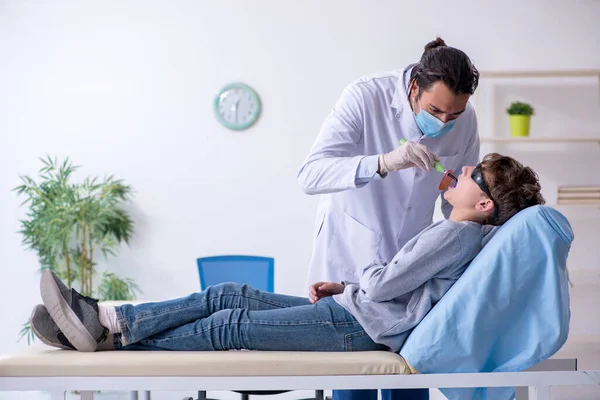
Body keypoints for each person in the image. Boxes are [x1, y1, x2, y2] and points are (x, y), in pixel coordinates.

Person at [32, 154, 545, 363]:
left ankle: (109, 335)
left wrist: (360, 273)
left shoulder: (454, 235)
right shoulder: (458, 233)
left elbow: (387, 284)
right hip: (356, 311)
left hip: (361, 327)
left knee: (228, 320)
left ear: (483, 205)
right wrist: (346, 288)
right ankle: (108, 320)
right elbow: (407, 288)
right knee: (228, 294)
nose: (457, 169)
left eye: (471, 173)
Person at [297, 37, 481, 400]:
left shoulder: (465, 119)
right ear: (414, 87)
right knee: (354, 382)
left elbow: (459, 203)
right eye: (435, 110)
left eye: (453, 115)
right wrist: (381, 163)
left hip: (411, 264)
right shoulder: (366, 96)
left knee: (409, 381)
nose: (445, 122)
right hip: (351, 256)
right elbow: (310, 175)